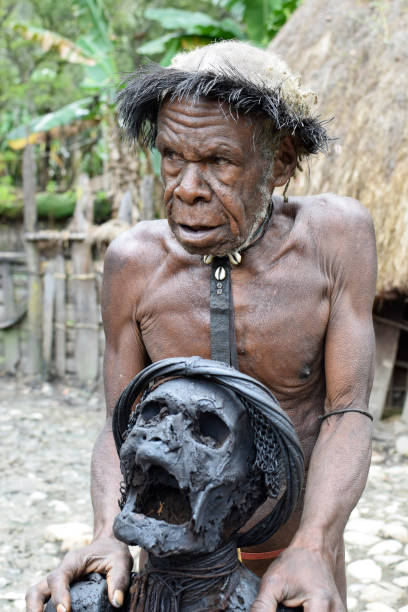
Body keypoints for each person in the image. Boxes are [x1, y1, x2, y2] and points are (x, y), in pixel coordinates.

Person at [26, 41, 377, 612]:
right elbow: (119, 426)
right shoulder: (133, 263)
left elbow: (346, 411)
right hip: (173, 566)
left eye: (217, 162)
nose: (187, 187)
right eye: (171, 157)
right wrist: (107, 533)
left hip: (296, 556)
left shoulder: (336, 241)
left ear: (282, 159)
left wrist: (315, 543)